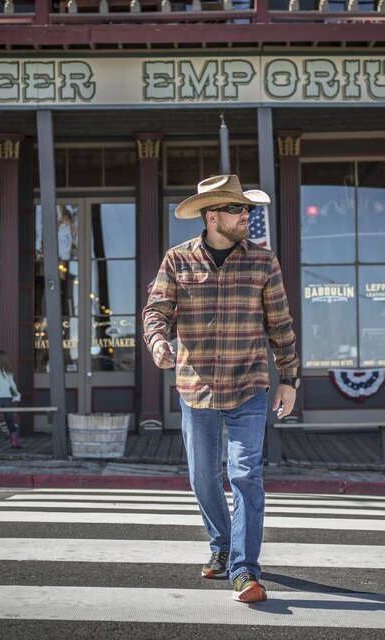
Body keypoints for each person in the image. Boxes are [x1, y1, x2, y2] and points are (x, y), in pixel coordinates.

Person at [142, 174, 300, 604]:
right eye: (237, 209)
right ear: (212, 216)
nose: (245, 214)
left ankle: (245, 570)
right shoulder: (177, 260)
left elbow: (280, 324)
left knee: (246, 474)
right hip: (196, 389)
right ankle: (222, 545)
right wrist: (159, 343)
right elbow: (155, 311)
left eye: (246, 208)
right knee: (203, 477)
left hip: (250, 386)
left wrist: (289, 378)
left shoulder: (263, 262)